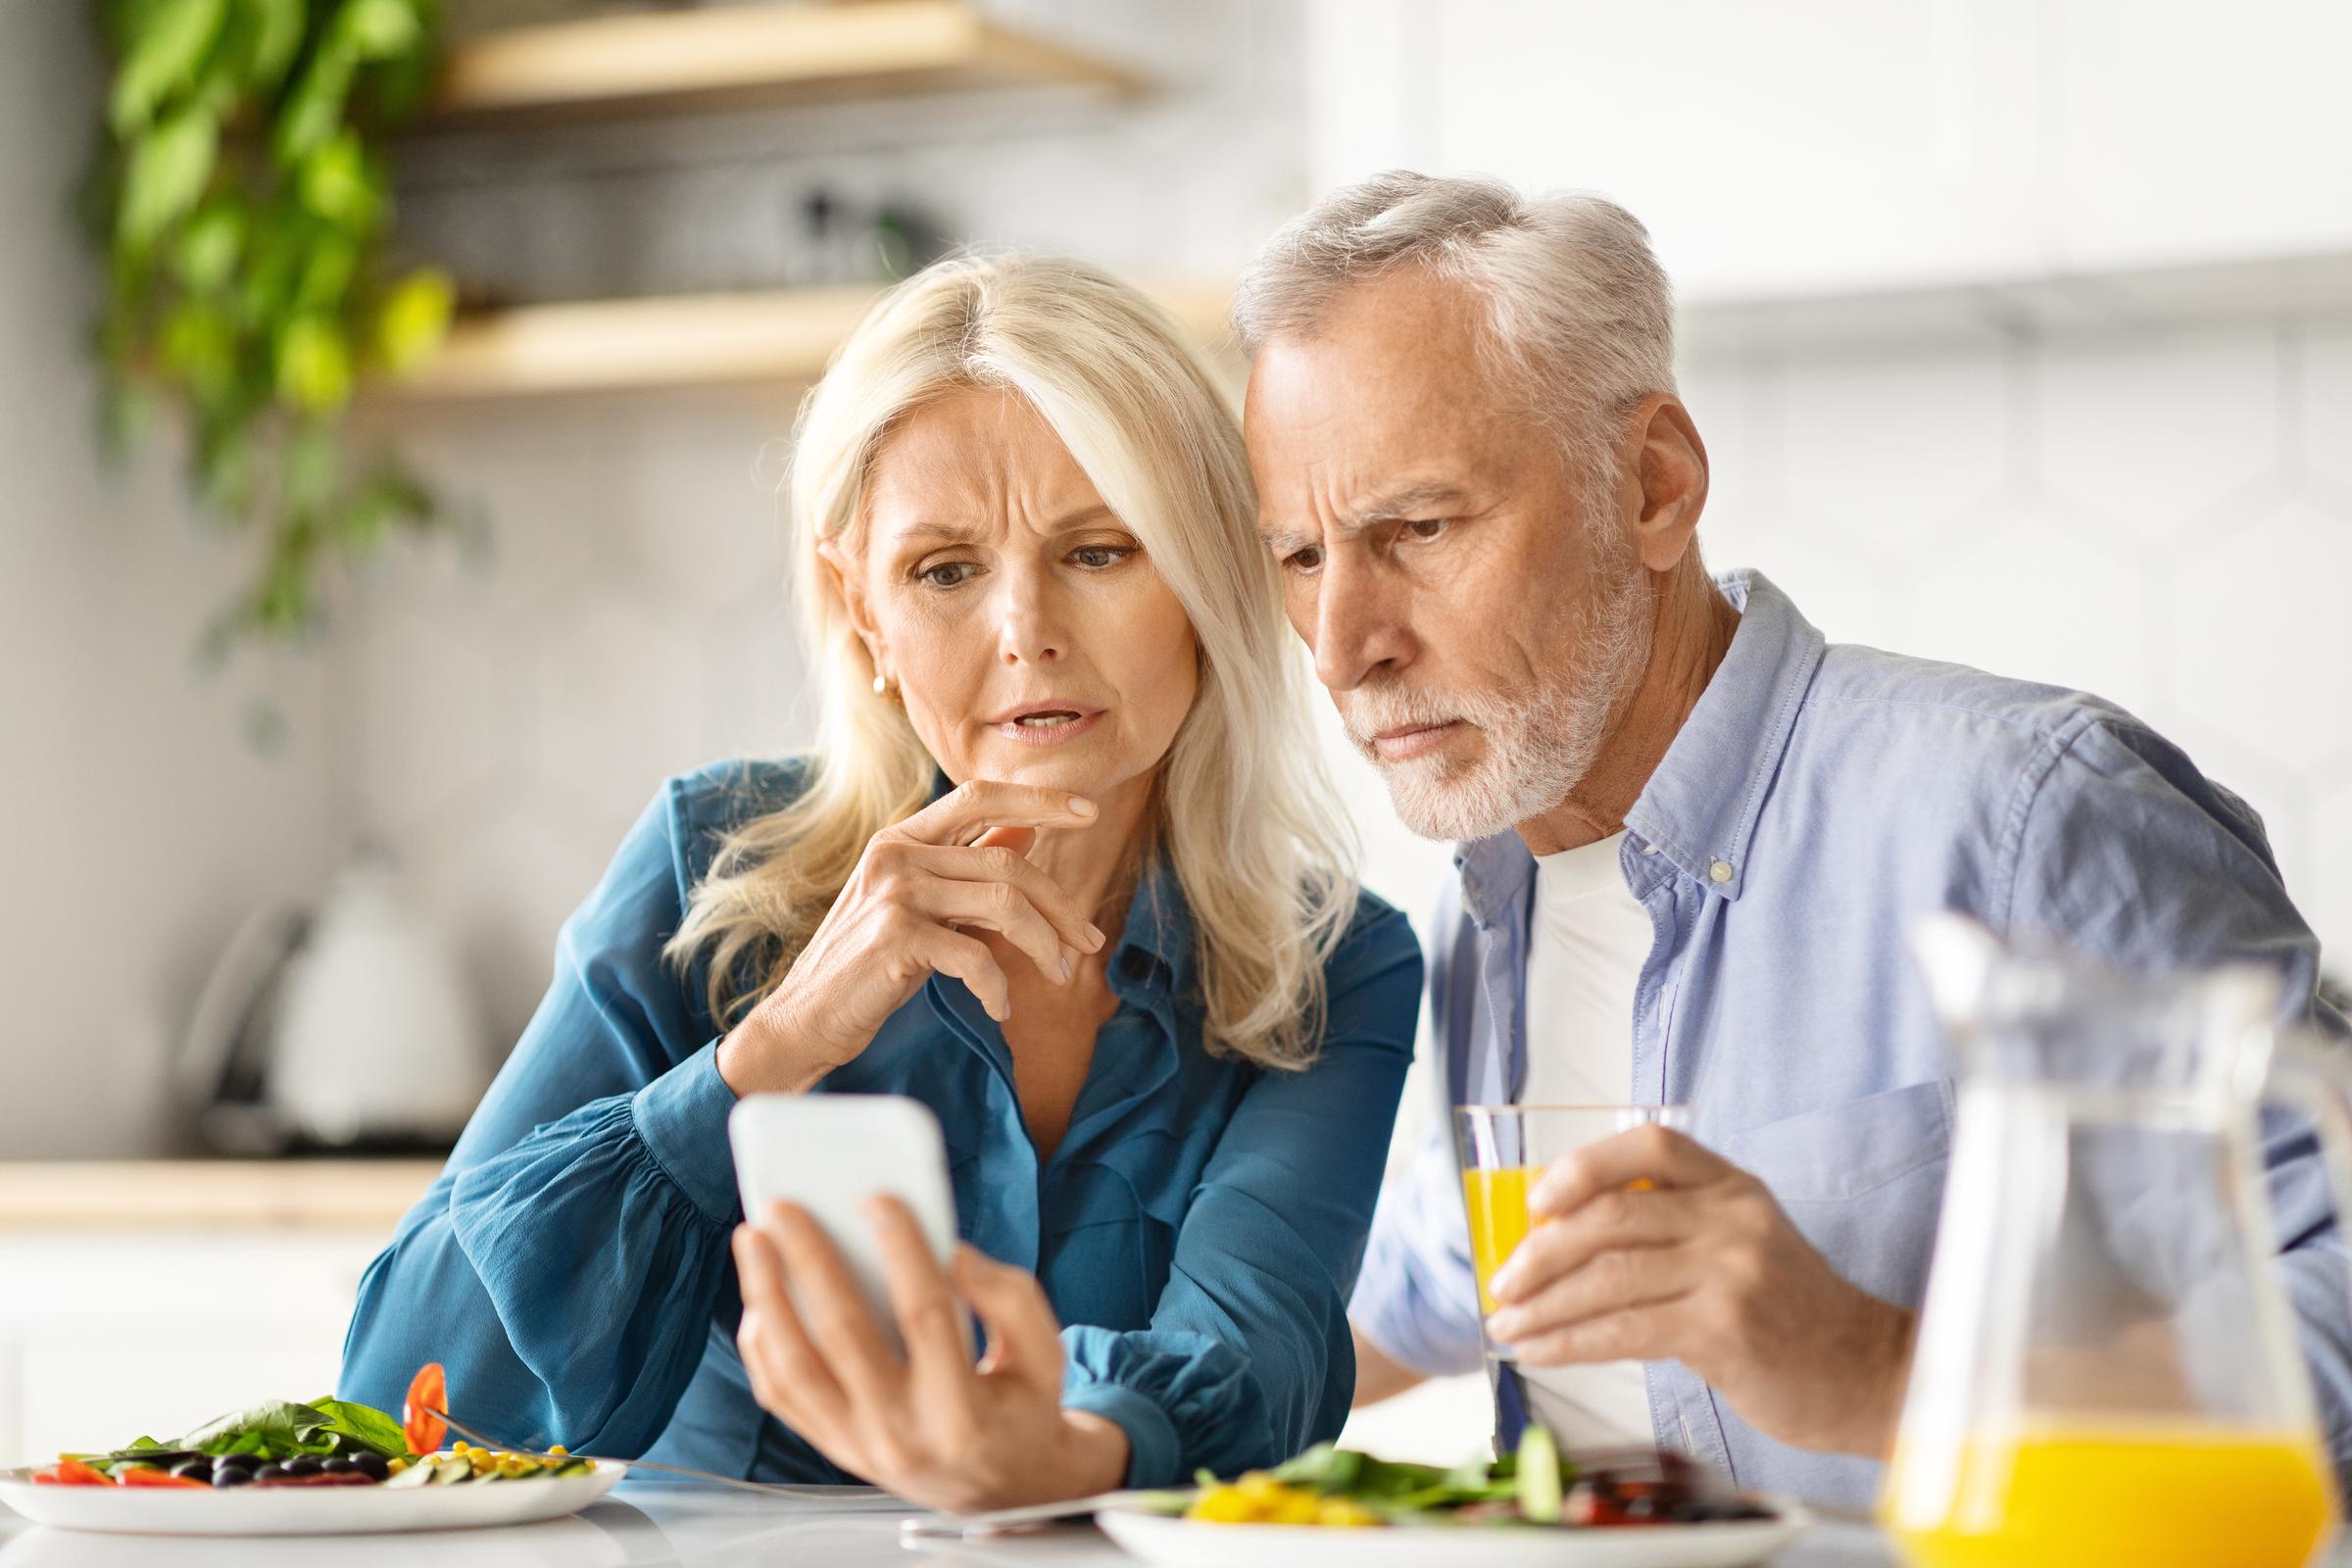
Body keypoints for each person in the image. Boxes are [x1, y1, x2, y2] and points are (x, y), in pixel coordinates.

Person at [1232, 171, 2351, 1508]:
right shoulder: (1485, 907)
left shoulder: (2025, 820)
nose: (1348, 647)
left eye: (1417, 528)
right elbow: (1428, 1280)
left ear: (1652, 486)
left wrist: (1885, 1373)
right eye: (1299, 560)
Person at [338, 254, 1423, 1512]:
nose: (1026, 629)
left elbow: (1258, 1357)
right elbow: (395, 1395)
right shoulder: (711, 864)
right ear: (864, 615)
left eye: (1100, 549)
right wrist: (766, 1053)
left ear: (1205, 574)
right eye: (945, 570)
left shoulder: (1333, 964)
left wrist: (1052, 1453)